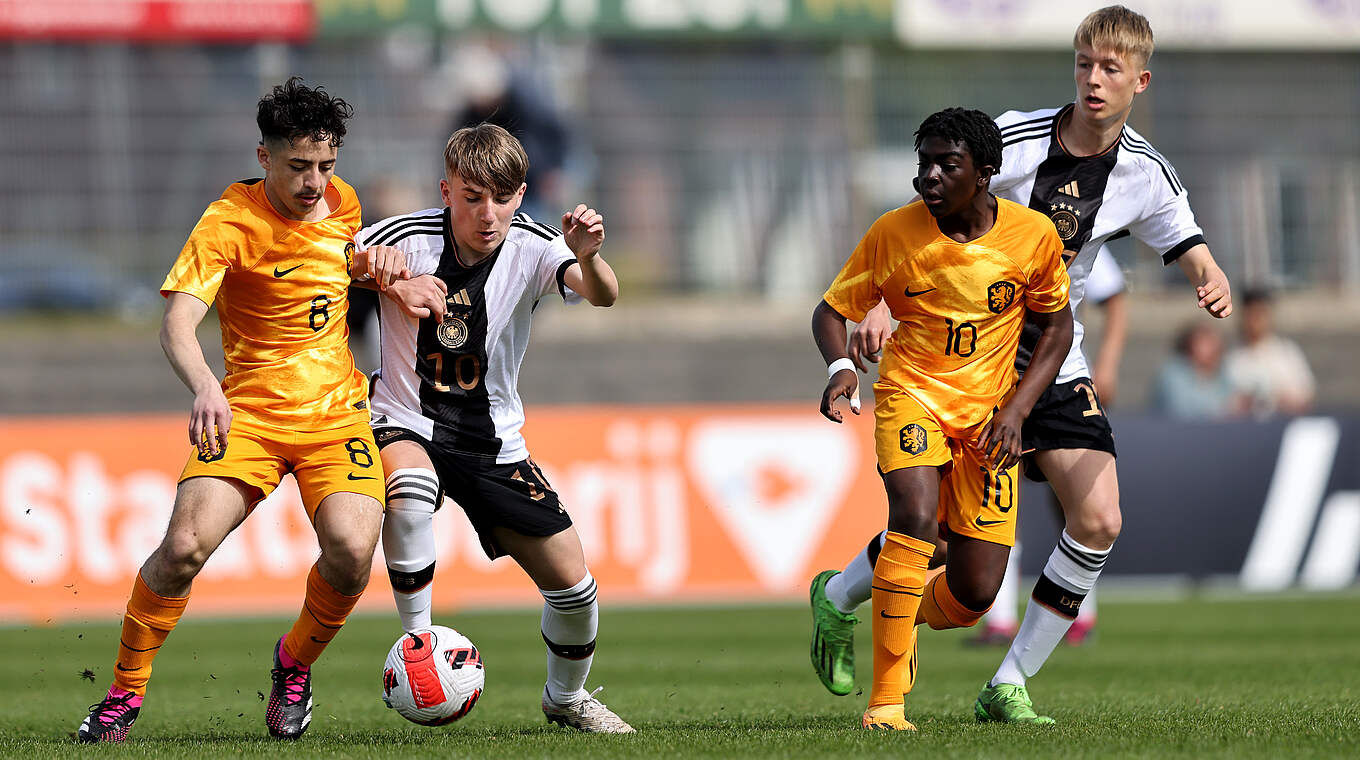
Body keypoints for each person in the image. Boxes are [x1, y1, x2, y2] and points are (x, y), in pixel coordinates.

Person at [809, 5, 1235, 725]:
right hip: (967, 362)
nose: (1094, 81)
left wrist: (1208, 272)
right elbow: (929, 198)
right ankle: (844, 600)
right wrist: (882, 303)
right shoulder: (1018, 135)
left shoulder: (1146, 174)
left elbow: (1184, 238)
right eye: (1084, 65)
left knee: (1098, 518)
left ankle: (1008, 682)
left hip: (1052, 357)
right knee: (931, 528)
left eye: (1110, 70)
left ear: (1141, 81)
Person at [76, 78, 411, 743]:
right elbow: (178, 322)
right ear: (264, 157)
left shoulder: (345, 203)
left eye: (326, 166)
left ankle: (293, 665)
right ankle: (123, 694)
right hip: (247, 414)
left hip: (334, 416)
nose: (315, 182)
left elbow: (333, 271)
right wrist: (204, 384)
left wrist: (376, 267)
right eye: (298, 167)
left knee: (350, 551)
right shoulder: (228, 221)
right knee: (181, 548)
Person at [358, 123, 634, 734]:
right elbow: (337, 260)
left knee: (576, 590)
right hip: (405, 419)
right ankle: (418, 645)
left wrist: (588, 255)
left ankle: (565, 699)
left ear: (521, 194)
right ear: (447, 190)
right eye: (473, 196)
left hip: (494, 443)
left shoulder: (536, 244)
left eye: (502, 198)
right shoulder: (404, 235)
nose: (488, 214)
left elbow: (603, 294)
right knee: (408, 490)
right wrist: (379, 271)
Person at [812, 107, 1073, 731]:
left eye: (944, 165)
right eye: (922, 163)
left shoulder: (1031, 236)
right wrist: (839, 369)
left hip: (988, 419)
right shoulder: (893, 233)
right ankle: (886, 704)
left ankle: (855, 604)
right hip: (912, 395)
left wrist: (1017, 409)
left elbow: (1058, 325)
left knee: (974, 595)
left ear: (984, 174)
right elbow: (831, 311)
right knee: (914, 517)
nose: (926, 176)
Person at [969, 244, 1125, 647]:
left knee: (1077, 504)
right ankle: (1000, 618)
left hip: (1058, 380)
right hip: (993, 378)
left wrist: (1107, 362)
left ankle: (1080, 612)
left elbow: (1113, 294)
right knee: (1000, 491)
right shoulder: (994, 215)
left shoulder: (1072, 223)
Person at [1225, 287, 1314, 417]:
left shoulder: (1287, 353)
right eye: (1250, 314)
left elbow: (1305, 396)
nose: (1254, 321)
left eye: (1259, 314)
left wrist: (1279, 399)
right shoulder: (1232, 358)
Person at [1152, 322, 1242, 418]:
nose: (1212, 348)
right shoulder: (1172, 374)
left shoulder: (1223, 374)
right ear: (1190, 345)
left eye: (1214, 343)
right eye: (1205, 342)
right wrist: (1224, 409)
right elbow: (1180, 410)